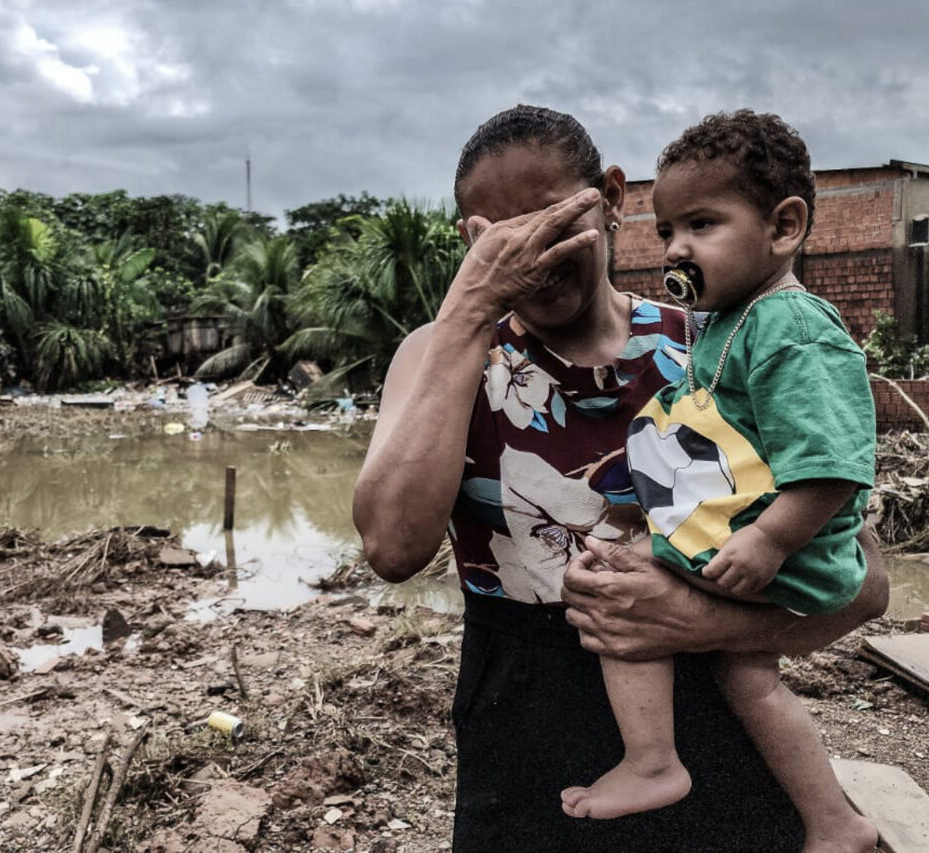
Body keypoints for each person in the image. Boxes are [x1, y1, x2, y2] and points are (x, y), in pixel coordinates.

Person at [352, 104, 888, 852]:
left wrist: (710, 623)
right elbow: (391, 546)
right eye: (499, 238)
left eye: (548, 221)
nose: (530, 258)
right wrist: (471, 309)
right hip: (524, 736)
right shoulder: (442, 353)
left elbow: (865, 584)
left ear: (610, 197)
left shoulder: (720, 346)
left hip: (712, 735)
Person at [559, 110, 878, 853]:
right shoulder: (727, 322)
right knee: (751, 678)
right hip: (753, 535)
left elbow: (832, 463)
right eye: (668, 229)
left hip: (782, 548)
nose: (677, 247)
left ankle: (652, 760)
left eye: (703, 223)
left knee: (615, 590)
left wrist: (768, 539)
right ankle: (836, 821)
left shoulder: (790, 327)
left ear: (784, 225)